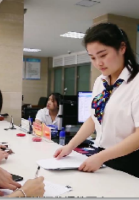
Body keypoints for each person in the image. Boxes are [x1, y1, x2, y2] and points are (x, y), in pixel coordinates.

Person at [54, 23, 139, 178]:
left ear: (122, 48)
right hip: (102, 155)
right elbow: (95, 118)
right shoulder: (101, 82)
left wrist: (102, 157)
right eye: (92, 57)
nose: (98, 63)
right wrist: (70, 146)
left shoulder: (136, 82)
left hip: (131, 161)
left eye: (103, 55)